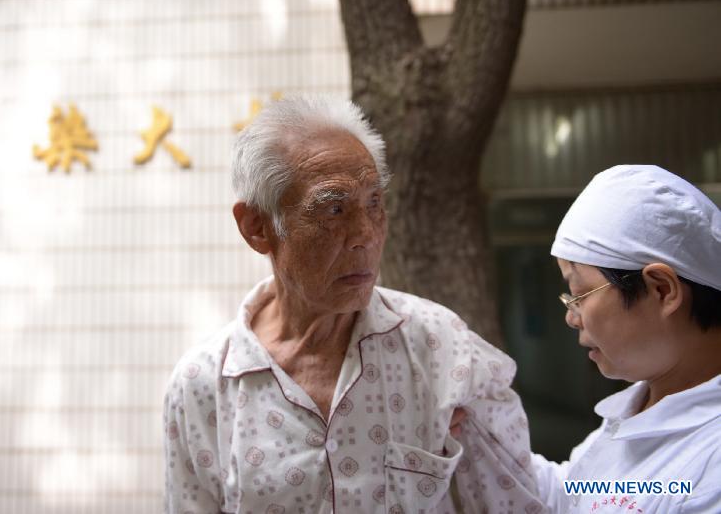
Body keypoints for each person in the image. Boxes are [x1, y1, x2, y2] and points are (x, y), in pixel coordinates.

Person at [163, 95, 546, 513]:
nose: (364, 234)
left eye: (374, 203)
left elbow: (513, 503)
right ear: (257, 228)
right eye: (333, 208)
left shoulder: (442, 348)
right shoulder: (204, 385)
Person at [530, 165, 721, 513]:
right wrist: (478, 430)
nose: (572, 317)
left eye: (580, 293)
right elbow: (573, 493)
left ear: (662, 290)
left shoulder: (713, 461)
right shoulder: (640, 407)